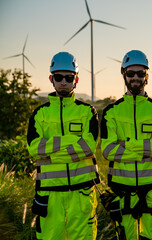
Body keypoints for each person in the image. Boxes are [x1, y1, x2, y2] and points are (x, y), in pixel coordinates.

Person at [27, 52, 100, 239]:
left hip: (82, 194)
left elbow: (88, 147)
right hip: (50, 197)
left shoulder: (87, 112)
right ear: (51, 79)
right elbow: (34, 148)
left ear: (76, 80)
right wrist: (72, 141)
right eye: (58, 77)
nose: (64, 82)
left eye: (69, 77)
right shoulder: (39, 114)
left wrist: (51, 153)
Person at [100, 50, 152, 240]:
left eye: (141, 73)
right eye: (131, 73)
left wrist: (124, 145)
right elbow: (107, 150)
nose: (135, 78)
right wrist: (144, 149)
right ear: (124, 75)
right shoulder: (110, 112)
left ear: (147, 76)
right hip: (122, 190)